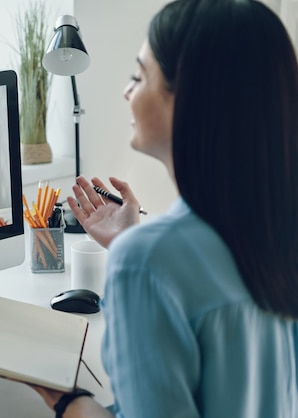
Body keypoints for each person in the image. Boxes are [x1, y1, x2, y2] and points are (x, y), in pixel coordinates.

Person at [33, 0, 298, 417]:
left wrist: (70, 402)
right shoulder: (278, 232)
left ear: (192, 98)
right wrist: (130, 241)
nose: (126, 91)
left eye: (138, 76)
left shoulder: (146, 263)